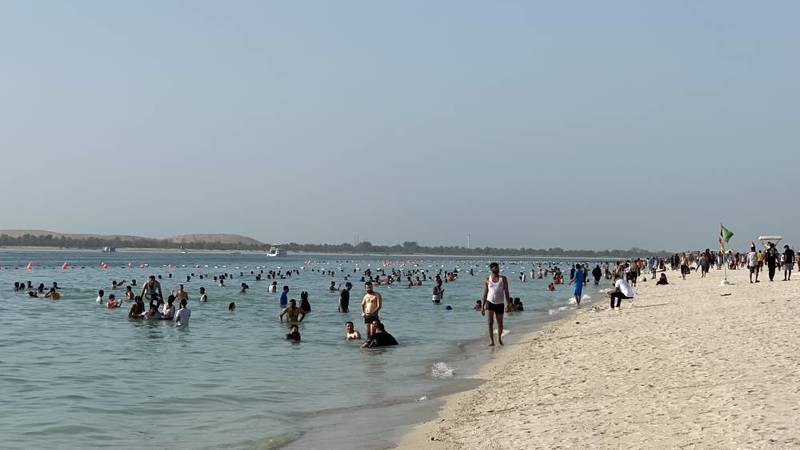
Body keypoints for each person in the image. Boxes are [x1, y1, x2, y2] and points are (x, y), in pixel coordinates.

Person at [482, 262, 511, 346]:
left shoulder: (503, 279)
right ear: (491, 269)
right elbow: (485, 293)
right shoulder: (487, 279)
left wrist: (508, 304)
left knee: (500, 323)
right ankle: (492, 341)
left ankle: (499, 338)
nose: (497, 269)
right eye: (495, 268)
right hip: (489, 302)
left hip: (500, 303)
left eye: (498, 267)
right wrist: (482, 306)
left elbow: (506, 291)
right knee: (490, 322)